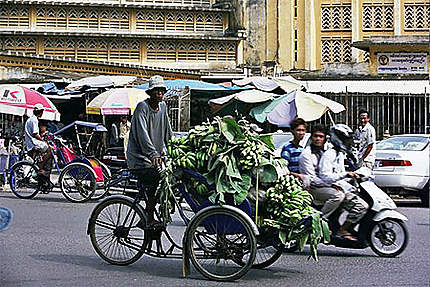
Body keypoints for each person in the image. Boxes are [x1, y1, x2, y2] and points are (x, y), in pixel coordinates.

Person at [127, 75, 173, 225]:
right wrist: (153, 153)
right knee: (155, 179)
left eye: (161, 90)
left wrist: (175, 148)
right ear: (150, 92)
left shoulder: (163, 107)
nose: (159, 93)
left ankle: (155, 213)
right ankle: (148, 217)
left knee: (169, 179)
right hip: (140, 159)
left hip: (155, 159)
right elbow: (142, 134)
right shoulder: (142, 107)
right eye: (156, 90)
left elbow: (168, 131)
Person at [319, 124, 369, 241]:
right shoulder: (329, 154)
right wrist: (345, 175)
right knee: (361, 206)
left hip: (341, 187)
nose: (347, 142)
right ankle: (343, 230)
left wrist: (353, 177)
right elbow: (325, 176)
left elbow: (341, 173)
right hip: (332, 188)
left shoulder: (340, 154)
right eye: (345, 139)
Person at [299, 125, 344, 219]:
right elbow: (312, 178)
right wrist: (330, 184)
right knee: (338, 196)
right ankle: (320, 219)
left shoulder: (326, 152)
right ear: (311, 137)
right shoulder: (306, 154)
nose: (318, 139)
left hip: (326, 184)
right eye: (315, 136)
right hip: (313, 187)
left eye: (321, 136)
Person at [24, 104, 53, 191]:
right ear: (40, 112)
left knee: (47, 157)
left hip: (32, 143)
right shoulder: (34, 120)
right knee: (50, 150)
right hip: (33, 144)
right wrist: (43, 141)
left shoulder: (31, 119)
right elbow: (35, 134)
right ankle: (39, 167)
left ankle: (44, 182)